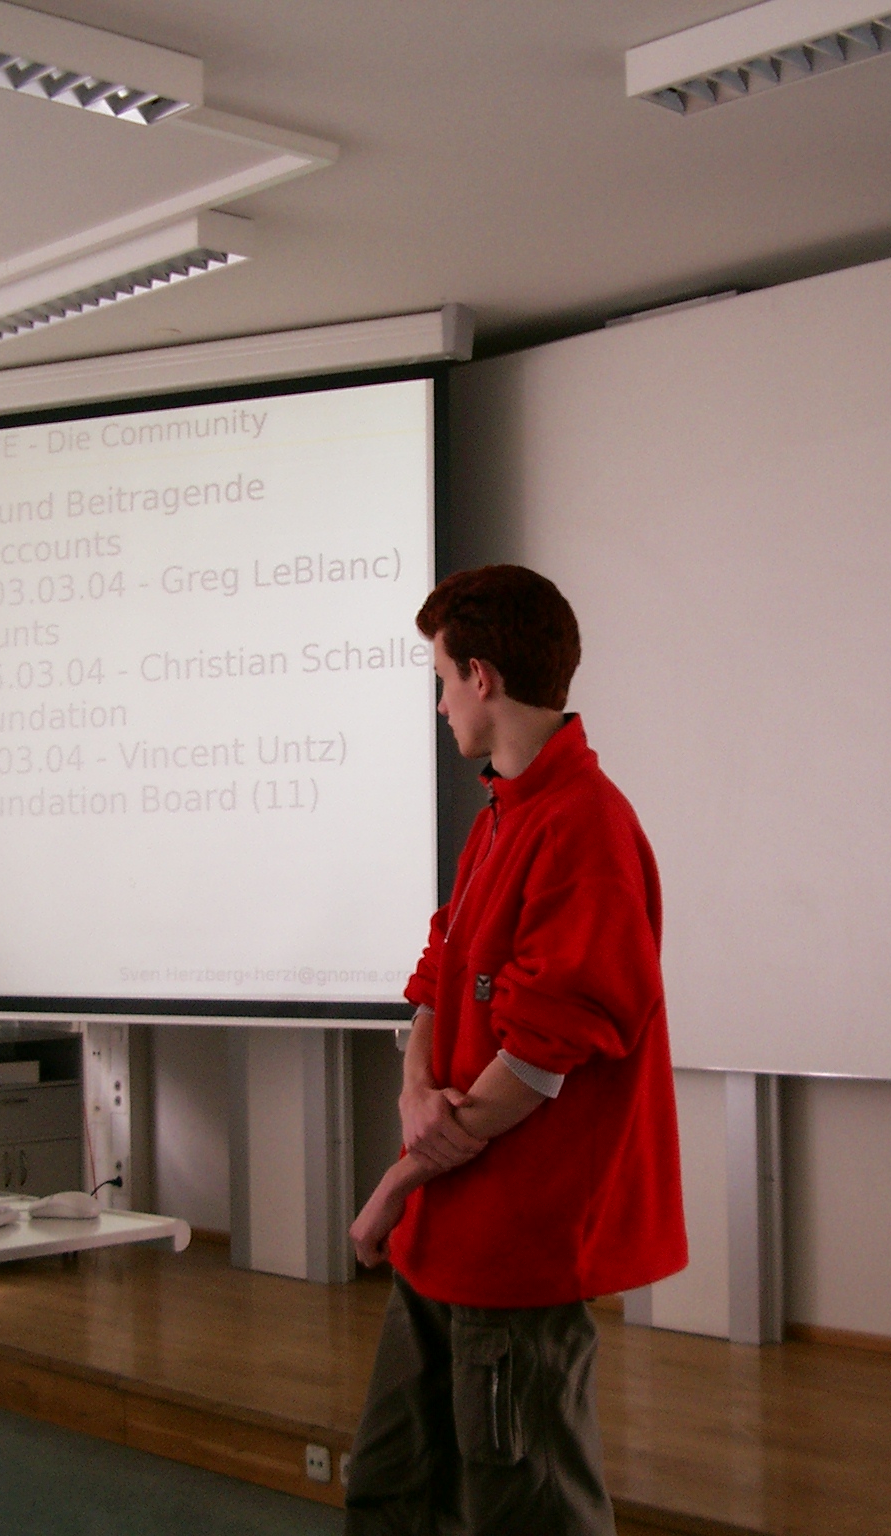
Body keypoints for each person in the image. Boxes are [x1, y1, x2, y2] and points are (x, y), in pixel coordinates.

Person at [344, 564, 687, 1535]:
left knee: (523, 1508)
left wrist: (395, 1180)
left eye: (442, 682)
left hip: (513, 1246)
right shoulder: (504, 812)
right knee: (391, 1491)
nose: (440, 706)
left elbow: (536, 1061)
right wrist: (415, 1090)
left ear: (481, 677)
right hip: (443, 1239)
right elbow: (438, 969)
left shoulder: (586, 827)